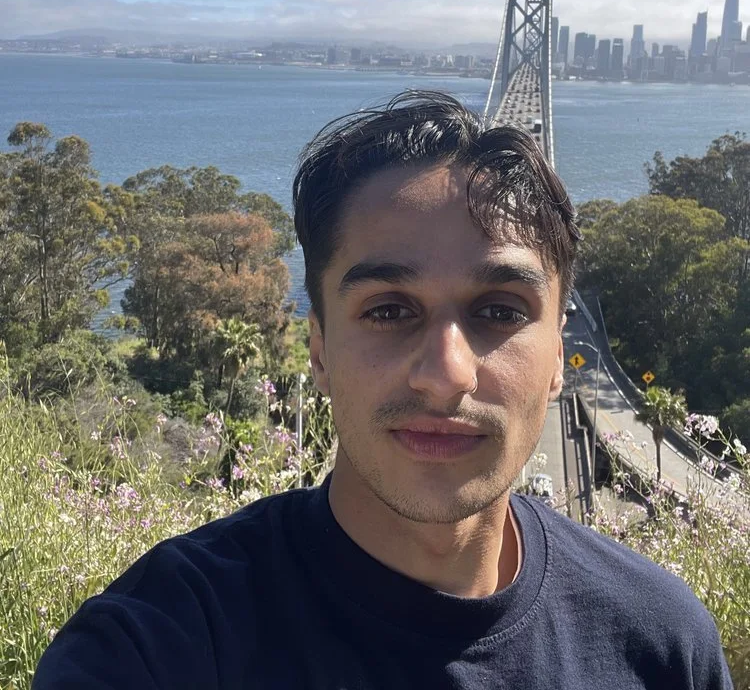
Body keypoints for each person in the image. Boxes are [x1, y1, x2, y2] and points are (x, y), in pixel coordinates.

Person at [34, 91, 732, 689]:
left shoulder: (662, 644)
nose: (446, 372)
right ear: (319, 351)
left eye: (499, 311)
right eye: (389, 310)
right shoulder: (160, 646)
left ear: (559, 356)